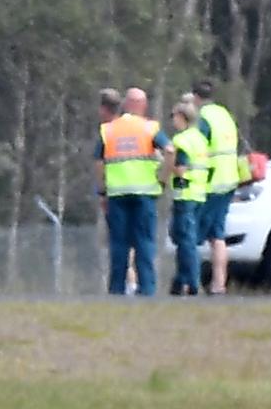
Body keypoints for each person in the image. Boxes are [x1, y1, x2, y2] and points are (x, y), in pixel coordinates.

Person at [95, 86, 175, 296]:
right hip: (145, 194)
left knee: (119, 244)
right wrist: (163, 179)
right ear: (141, 105)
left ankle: (116, 290)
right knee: (144, 242)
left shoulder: (109, 129)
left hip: (117, 195)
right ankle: (147, 289)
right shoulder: (150, 128)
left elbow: (98, 163)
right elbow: (170, 150)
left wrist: (102, 192)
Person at [193, 79, 241, 295]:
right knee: (217, 235)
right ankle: (219, 283)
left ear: (195, 97)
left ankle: (189, 282)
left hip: (210, 181)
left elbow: (197, 147)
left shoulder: (203, 118)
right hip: (229, 179)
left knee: (192, 236)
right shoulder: (225, 115)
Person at [168, 101, 208, 296]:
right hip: (200, 193)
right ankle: (180, 280)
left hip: (186, 195)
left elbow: (181, 170)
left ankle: (192, 282)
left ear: (182, 117)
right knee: (187, 239)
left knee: (185, 241)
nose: (172, 120)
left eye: (174, 116)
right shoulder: (200, 139)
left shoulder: (181, 140)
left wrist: (165, 165)